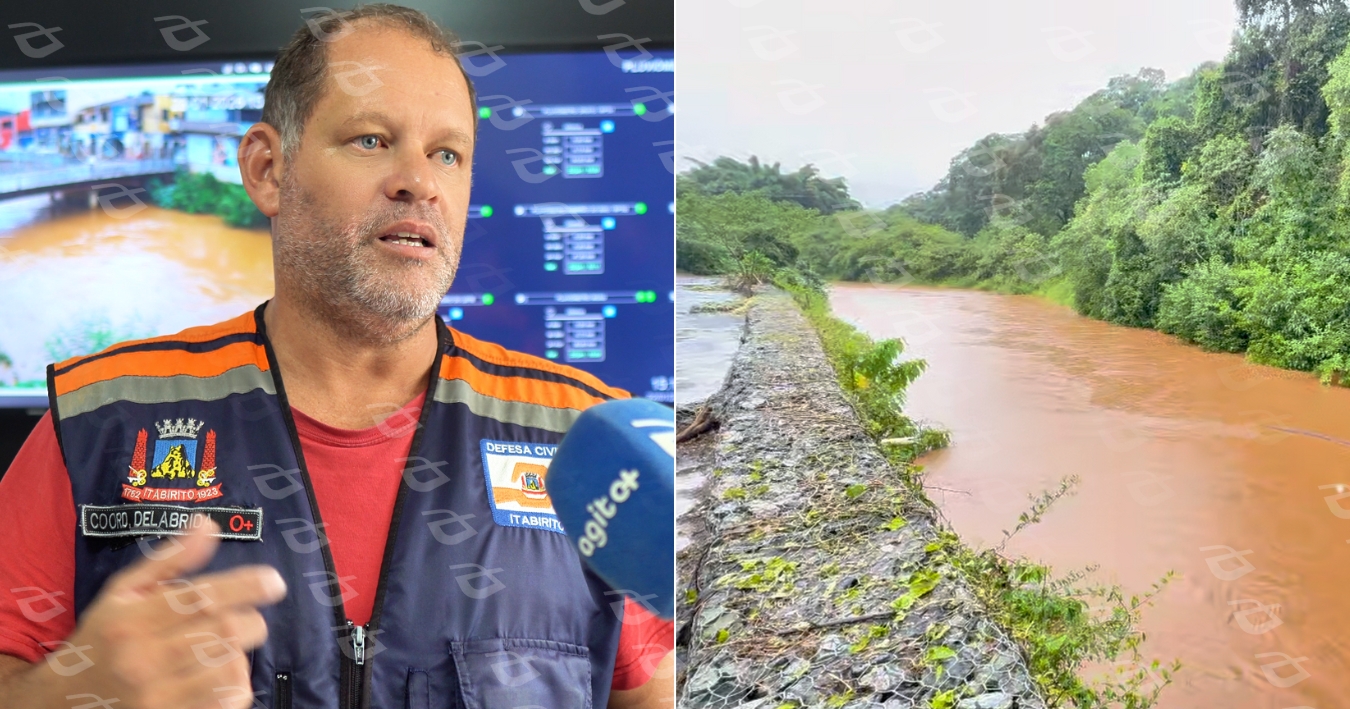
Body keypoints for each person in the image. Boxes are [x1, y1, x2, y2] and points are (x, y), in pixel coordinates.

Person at [0, 5, 673, 708]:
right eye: (372, 139)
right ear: (267, 169)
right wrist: (63, 695)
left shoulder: (586, 436)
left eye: (448, 153)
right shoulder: (101, 418)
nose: (420, 180)